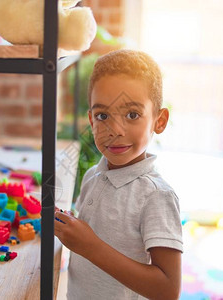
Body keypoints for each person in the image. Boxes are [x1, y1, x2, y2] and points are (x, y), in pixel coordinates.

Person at [54, 49, 183, 300]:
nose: (114, 130)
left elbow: (168, 291)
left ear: (159, 120)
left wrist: (91, 247)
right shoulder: (93, 175)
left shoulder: (157, 196)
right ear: (91, 121)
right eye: (103, 116)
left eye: (132, 115)